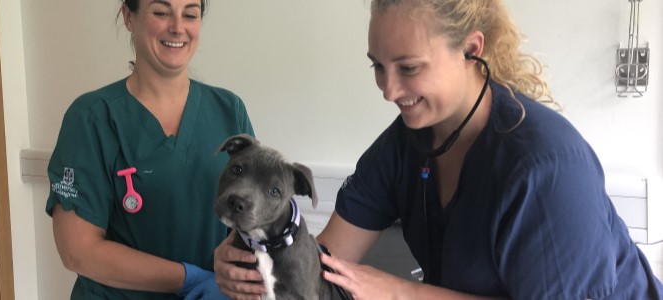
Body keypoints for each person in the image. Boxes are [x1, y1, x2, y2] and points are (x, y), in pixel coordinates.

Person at [213, 0, 663, 299]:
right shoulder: (406, 144)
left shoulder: (546, 170)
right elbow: (326, 262)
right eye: (378, 67)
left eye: (408, 68)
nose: (389, 90)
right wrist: (252, 260)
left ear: (471, 49)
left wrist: (398, 292)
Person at [45, 0, 254, 299]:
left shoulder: (229, 111)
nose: (178, 27)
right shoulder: (91, 117)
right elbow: (77, 250)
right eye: (161, 12)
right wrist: (189, 278)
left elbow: (252, 214)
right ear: (129, 17)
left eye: (190, 14)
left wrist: (234, 271)